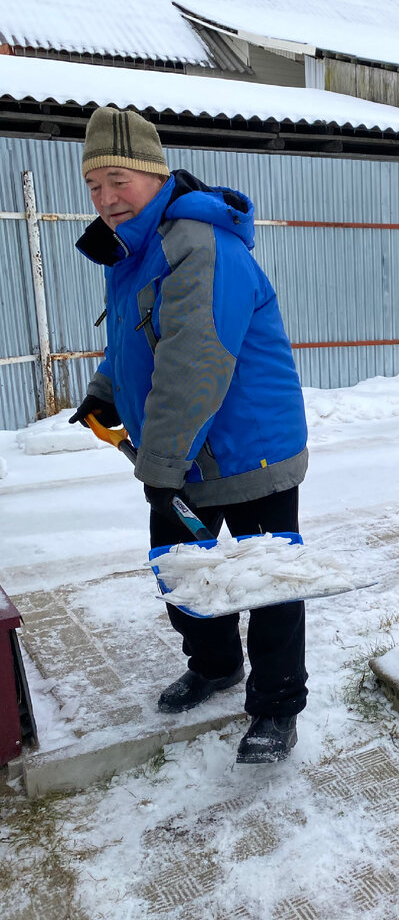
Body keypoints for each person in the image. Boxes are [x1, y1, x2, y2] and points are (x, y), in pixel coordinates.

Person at [69, 107, 309, 763]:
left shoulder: (198, 244)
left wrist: (162, 465)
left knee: (269, 585)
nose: (106, 198)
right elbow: (138, 343)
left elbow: (194, 360)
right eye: (93, 186)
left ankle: (277, 709)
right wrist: (105, 390)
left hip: (250, 447)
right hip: (182, 458)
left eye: (117, 180)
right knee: (183, 573)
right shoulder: (138, 249)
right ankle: (216, 665)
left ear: (152, 174)